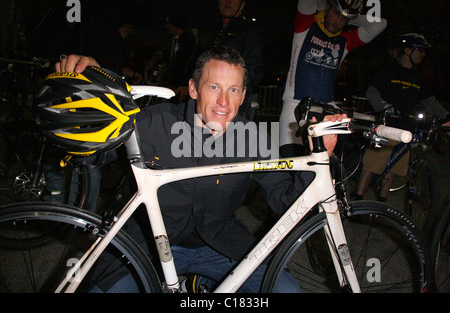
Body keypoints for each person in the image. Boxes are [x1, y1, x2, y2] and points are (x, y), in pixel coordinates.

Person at [55, 48, 346, 293]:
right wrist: (87, 91)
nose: (224, 101)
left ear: (243, 96)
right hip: (149, 242)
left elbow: (287, 201)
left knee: (287, 291)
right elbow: (93, 156)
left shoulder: (253, 137)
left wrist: (319, 156)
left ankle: (199, 281)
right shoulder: (153, 123)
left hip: (221, 245)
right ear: (193, 88)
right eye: (213, 87)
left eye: (233, 90)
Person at [279, 0, 387, 158]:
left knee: (348, 154)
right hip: (295, 105)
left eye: (344, 19)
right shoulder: (305, 26)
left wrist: (350, 16)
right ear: (329, 8)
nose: (338, 21)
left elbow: (380, 24)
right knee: (291, 162)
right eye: (336, 13)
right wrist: (323, 6)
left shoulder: (345, 41)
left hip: (327, 107)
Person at [355, 33, 450, 202]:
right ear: (408, 50)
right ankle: (358, 199)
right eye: (420, 50)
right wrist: (384, 106)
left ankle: (382, 204)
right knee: (372, 165)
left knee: (393, 167)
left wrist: (446, 116)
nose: (423, 54)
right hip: (386, 126)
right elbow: (372, 92)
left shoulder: (419, 77)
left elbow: (430, 102)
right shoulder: (389, 69)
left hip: (406, 129)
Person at [195, 0, 263, 120]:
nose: (228, 1)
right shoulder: (209, 30)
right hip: (205, 98)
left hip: (235, 102)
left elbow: (254, 68)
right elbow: (196, 62)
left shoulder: (249, 30)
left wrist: (237, 93)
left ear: (242, 4)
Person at [164, 14, 197, 103]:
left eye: (169, 24)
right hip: (173, 83)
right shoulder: (172, 40)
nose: (166, 27)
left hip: (182, 85)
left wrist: (182, 83)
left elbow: (186, 63)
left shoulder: (188, 41)